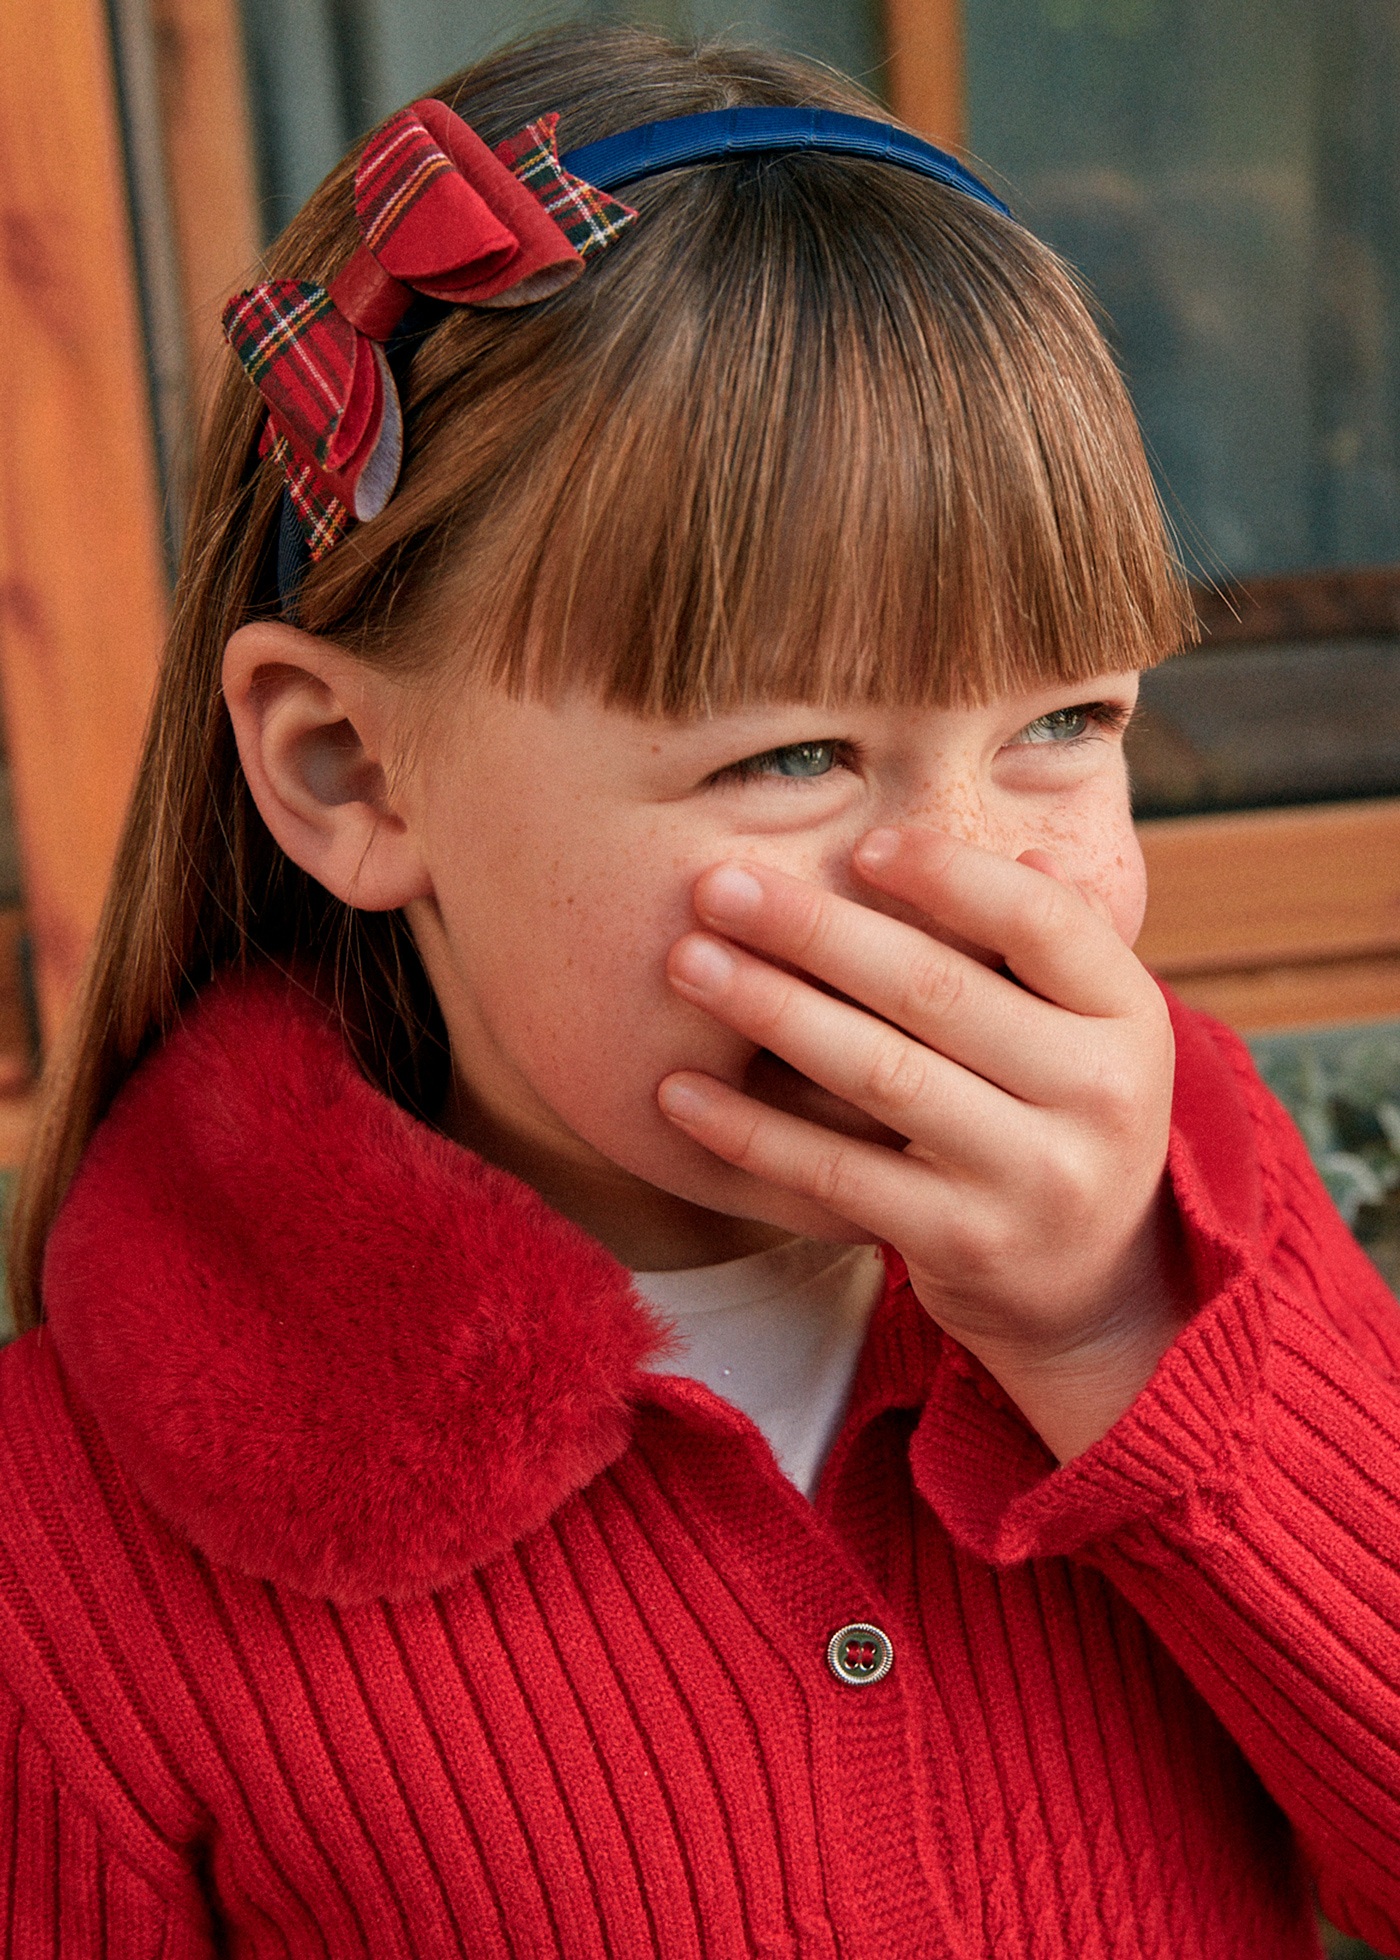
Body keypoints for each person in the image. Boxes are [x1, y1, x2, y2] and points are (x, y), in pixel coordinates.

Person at [1, 22, 1397, 1957]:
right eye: (794, 757)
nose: (984, 888)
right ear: (347, 770)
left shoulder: (1200, 1211)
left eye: (1068, 718)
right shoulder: (60, 1559)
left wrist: (1116, 1339)